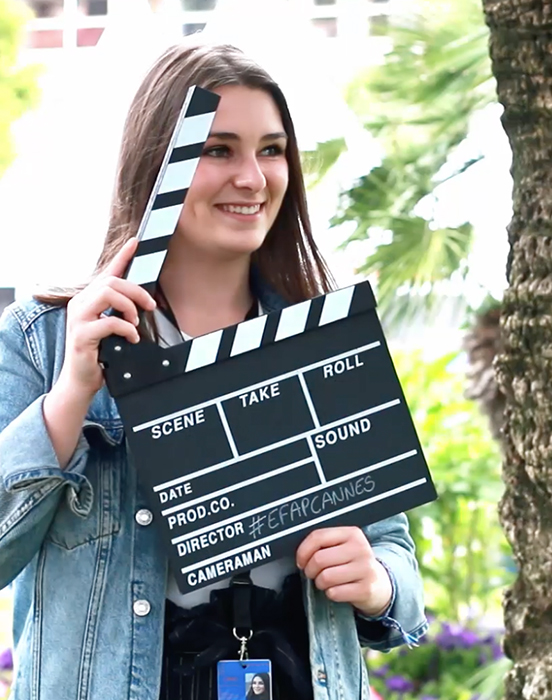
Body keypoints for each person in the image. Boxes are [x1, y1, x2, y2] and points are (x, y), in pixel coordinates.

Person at [0, 39, 427, 700]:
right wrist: (72, 394)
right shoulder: (42, 340)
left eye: (272, 149)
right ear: (157, 165)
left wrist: (377, 583)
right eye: (218, 149)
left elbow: (395, 553)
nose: (252, 178)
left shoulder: (324, 340)